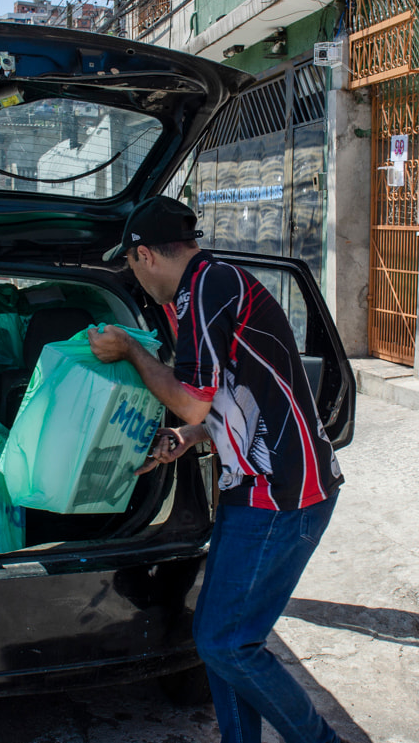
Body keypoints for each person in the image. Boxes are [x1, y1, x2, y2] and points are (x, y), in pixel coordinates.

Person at [87, 196, 345, 743]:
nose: (133, 276)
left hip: (281, 495)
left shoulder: (204, 288)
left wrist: (133, 350)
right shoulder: (212, 283)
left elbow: (191, 399)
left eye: (129, 264)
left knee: (227, 643)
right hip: (257, 487)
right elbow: (230, 399)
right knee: (220, 637)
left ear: (144, 255)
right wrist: (188, 436)